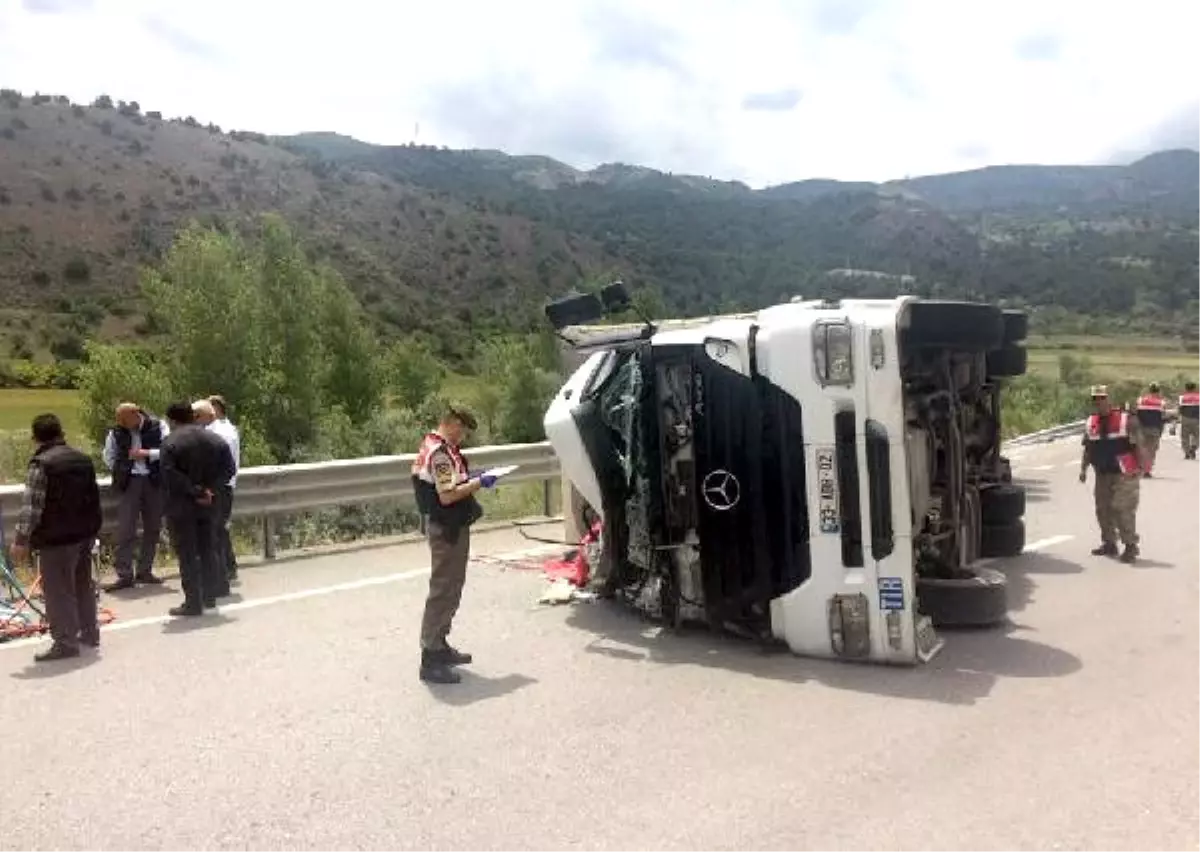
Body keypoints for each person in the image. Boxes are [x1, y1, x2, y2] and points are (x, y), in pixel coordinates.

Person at [411, 406, 497, 684]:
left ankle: (440, 644)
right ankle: (430, 657)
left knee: (452, 586)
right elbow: (447, 496)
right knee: (443, 589)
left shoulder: (438, 447)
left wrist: (472, 477)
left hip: (450, 526)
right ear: (449, 423)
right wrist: (479, 483)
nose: (462, 436)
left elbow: (450, 482)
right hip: (446, 529)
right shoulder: (439, 453)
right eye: (460, 429)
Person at [9, 414, 103, 662]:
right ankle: (90, 633)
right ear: (62, 433)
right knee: (83, 585)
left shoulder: (42, 464)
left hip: (57, 538)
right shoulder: (82, 459)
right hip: (84, 534)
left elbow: (32, 506)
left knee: (58, 591)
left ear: (35, 437)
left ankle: (65, 642)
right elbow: (94, 499)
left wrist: (21, 540)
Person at [159, 402, 236, 616]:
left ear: (172, 420)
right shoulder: (214, 439)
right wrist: (210, 490)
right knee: (207, 549)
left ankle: (193, 601)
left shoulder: (170, 442)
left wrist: (196, 491)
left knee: (188, 553)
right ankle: (209, 596)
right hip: (210, 504)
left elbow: (169, 474)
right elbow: (229, 469)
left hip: (182, 506)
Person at [102, 402, 168, 591]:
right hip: (129, 481)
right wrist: (124, 466)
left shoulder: (158, 426)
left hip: (153, 480)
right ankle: (125, 574)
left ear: (136, 414)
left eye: (125, 420)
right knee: (126, 529)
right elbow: (109, 457)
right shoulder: (116, 433)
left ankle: (145, 570)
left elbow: (168, 451)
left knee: (153, 527)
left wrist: (147, 454)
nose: (122, 424)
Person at [1079, 385, 1145, 563]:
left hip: (1125, 471)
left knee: (1122, 508)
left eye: (1102, 398)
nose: (1099, 402)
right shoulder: (1091, 422)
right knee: (1103, 509)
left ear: (1109, 399)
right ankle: (1109, 543)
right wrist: (1083, 469)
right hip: (1102, 472)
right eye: (1095, 399)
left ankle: (1130, 545)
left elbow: (1138, 444)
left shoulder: (1126, 420)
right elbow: (1088, 448)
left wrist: (1141, 467)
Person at [193, 396, 240, 584]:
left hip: (221, 486)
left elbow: (224, 465)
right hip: (222, 485)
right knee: (219, 530)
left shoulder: (222, 433)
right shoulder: (219, 430)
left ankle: (223, 571)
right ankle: (227, 567)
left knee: (217, 530)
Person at [1134, 382, 1166, 476]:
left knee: (1141, 449)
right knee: (1151, 450)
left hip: (1141, 429)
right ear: (1159, 391)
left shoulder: (1140, 400)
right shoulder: (1162, 403)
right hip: (1154, 429)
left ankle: (1141, 467)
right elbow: (1163, 418)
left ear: (1149, 390)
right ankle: (1147, 470)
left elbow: (1135, 414)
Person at [1179, 381, 1200, 461]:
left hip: (1185, 418)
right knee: (1197, 435)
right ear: (1194, 388)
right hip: (1197, 419)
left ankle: (1187, 453)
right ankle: (1193, 447)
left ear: (1186, 388)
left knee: (1185, 437)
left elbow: (1180, 409)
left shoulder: (1182, 397)